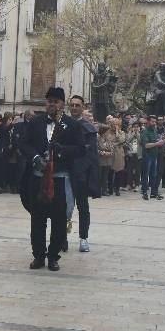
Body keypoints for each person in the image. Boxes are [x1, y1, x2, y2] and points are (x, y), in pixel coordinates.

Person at [18, 87, 84, 271]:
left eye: (56, 101)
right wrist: (35, 157)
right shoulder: (36, 122)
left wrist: (61, 150)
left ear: (62, 104)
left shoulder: (72, 125)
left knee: (59, 221)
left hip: (59, 179)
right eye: (49, 101)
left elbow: (80, 149)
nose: (52, 104)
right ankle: (38, 256)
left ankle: (53, 256)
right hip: (38, 178)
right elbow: (23, 143)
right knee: (37, 219)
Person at [68, 95, 100, 252]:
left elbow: (92, 154)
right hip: (64, 173)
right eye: (72, 105)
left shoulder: (88, 128)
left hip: (80, 174)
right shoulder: (62, 125)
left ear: (82, 107)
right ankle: (61, 237)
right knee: (63, 208)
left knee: (82, 207)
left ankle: (83, 238)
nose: (74, 107)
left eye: (77, 105)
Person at [139, 115, 163, 201]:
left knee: (153, 175)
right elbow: (146, 145)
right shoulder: (145, 131)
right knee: (145, 175)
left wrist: (160, 141)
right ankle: (145, 192)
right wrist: (157, 143)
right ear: (148, 121)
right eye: (152, 121)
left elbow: (155, 141)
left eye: (155, 122)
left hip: (154, 155)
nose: (154, 123)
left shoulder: (155, 130)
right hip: (147, 156)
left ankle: (153, 193)